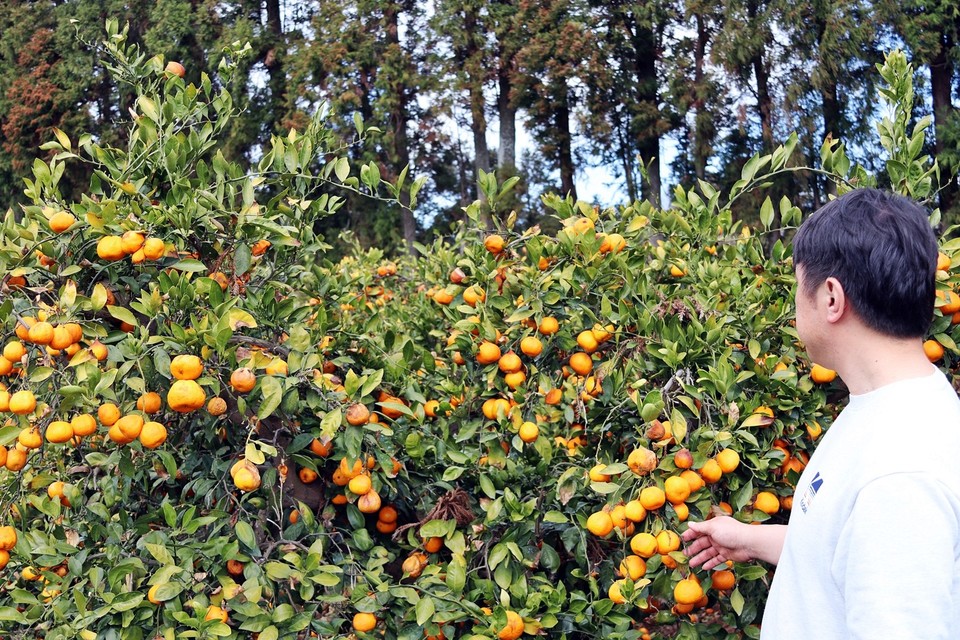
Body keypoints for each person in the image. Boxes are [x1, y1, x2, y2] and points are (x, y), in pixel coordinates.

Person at [681, 188, 960, 639]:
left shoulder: (900, 475)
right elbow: (853, 554)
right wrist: (750, 539)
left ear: (831, 297)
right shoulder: (888, 409)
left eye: (797, 286)